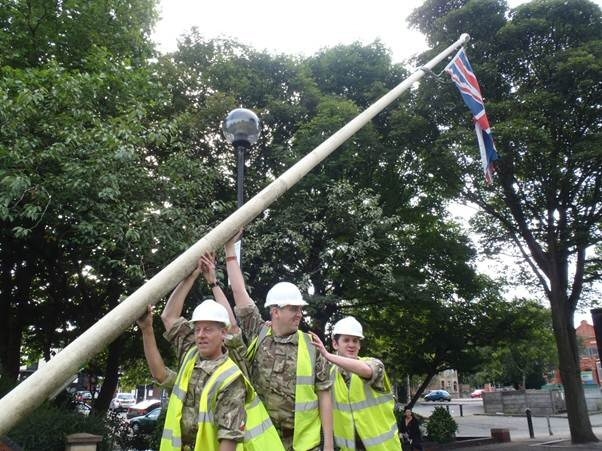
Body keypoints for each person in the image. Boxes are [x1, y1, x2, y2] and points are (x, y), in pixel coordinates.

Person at [137, 254, 283, 451]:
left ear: (222, 333)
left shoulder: (232, 372)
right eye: (197, 329)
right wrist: (192, 274)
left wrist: (213, 282)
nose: (200, 335)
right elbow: (168, 321)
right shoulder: (191, 355)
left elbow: (228, 439)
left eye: (208, 329)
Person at [225, 236, 334, 451]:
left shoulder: (312, 346)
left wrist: (329, 445)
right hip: (261, 439)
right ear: (275, 311)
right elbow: (239, 293)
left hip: (301, 444)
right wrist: (230, 247)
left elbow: (324, 395)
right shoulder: (258, 332)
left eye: (300, 309)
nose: (299, 314)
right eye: (293, 309)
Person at [309, 316, 402, 451]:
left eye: (356, 341)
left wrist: (328, 355)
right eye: (346, 340)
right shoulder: (330, 374)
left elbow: (365, 370)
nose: (352, 345)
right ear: (335, 344)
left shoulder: (374, 364)